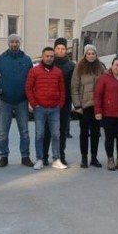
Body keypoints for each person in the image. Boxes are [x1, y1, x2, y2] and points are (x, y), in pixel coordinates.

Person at [0, 34, 34, 168]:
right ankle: (3, 156)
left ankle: (25, 156)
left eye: (17, 42)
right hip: (5, 101)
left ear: (20, 43)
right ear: (8, 43)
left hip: (22, 100)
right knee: (4, 132)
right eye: (12, 42)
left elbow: (32, 79)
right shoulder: (1, 59)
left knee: (24, 131)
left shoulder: (27, 60)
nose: (14, 44)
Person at [26, 47, 67, 170]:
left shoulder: (58, 72)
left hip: (54, 108)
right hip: (40, 109)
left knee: (56, 134)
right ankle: (39, 159)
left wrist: (60, 104)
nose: (49, 58)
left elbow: (62, 90)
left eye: (51, 56)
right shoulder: (34, 71)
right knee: (40, 134)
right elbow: (28, 88)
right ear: (42, 57)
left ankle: (56, 159)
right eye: (47, 56)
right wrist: (34, 104)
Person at [70, 44, 106, 168]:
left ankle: (94, 158)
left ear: (96, 55)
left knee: (96, 133)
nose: (91, 56)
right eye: (89, 53)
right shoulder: (79, 67)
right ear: (85, 55)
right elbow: (74, 88)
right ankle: (84, 158)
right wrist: (77, 105)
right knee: (84, 132)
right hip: (84, 106)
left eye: (93, 53)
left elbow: (106, 84)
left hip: (97, 106)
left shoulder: (100, 67)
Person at [43, 38, 75, 166]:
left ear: (66, 50)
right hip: (49, 103)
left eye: (63, 49)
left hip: (65, 103)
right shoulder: (49, 63)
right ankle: (44, 156)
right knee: (47, 131)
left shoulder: (71, 65)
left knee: (62, 131)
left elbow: (74, 85)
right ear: (54, 49)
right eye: (58, 48)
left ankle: (61, 155)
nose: (60, 51)